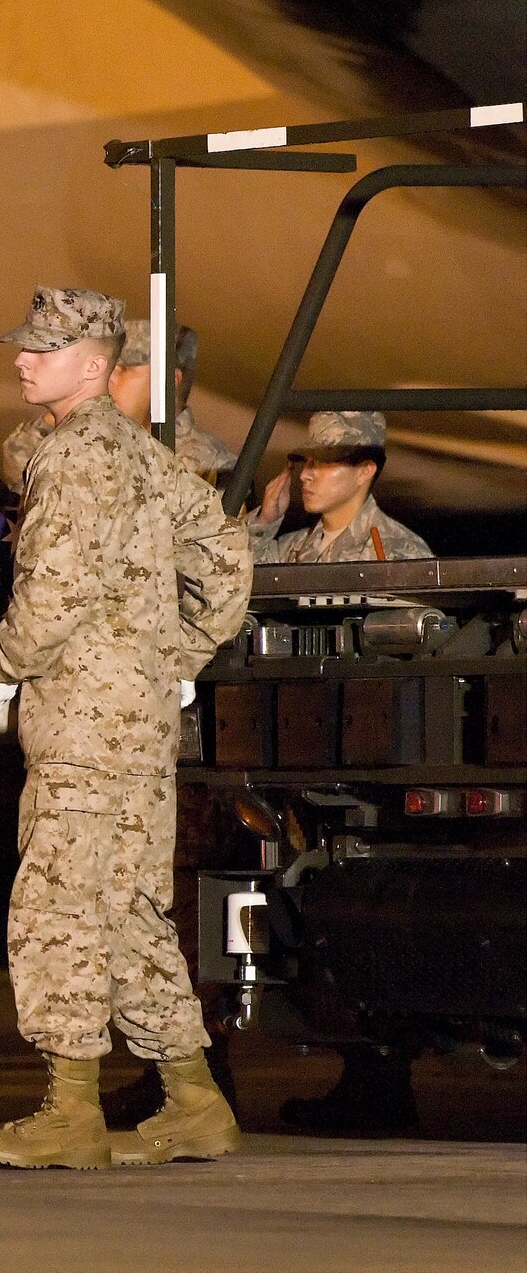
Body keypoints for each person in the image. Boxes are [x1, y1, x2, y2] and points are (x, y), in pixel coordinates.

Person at [0, 286, 250, 1170]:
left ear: (92, 366)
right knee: (129, 907)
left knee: (58, 905)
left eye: (41, 350)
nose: (20, 360)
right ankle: (194, 1098)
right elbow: (226, 557)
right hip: (140, 719)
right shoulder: (148, 456)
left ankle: (70, 1108)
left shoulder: (70, 454)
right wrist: (176, 655)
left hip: (80, 722)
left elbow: (53, 592)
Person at [254, 408, 430, 1132]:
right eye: (303, 461)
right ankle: (363, 1075)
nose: (308, 475)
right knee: (298, 916)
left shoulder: (398, 550)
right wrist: (260, 524)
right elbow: (220, 586)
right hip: (287, 751)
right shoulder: (288, 547)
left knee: (362, 916)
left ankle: (382, 1078)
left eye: (329, 462)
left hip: (360, 756)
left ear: (366, 471)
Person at [0, 320, 233, 492]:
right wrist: (65, 412)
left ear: (168, 382)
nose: (108, 380)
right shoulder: (95, 437)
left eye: (123, 370)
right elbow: (19, 463)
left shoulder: (207, 464)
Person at [249, 410, 432, 563]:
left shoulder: (399, 554)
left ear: (364, 471)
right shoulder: (292, 548)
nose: (304, 475)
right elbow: (237, 579)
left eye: (324, 462)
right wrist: (264, 522)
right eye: (307, 461)